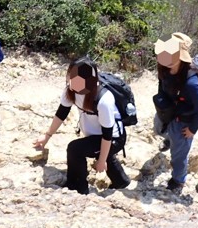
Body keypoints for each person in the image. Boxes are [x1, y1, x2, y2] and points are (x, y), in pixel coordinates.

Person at [33, 57, 131, 194]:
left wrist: (102, 161)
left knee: (75, 149)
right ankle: (121, 181)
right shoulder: (70, 90)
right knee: (95, 150)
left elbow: (107, 134)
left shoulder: (104, 99)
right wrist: (47, 136)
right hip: (96, 135)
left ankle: (78, 187)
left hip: (113, 138)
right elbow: (61, 113)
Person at [152, 32, 198, 194]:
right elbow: (162, 87)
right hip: (170, 111)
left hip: (184, 121)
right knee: (158, 129)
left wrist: (192, 130)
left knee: (179, 155)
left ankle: (178, 180)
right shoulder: (165, 69)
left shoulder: (191, 82)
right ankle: (169, 139)